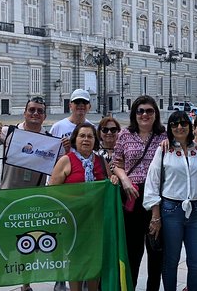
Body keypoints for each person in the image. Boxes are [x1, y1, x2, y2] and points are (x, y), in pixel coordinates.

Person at [143, 111, 197, 291]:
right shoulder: (164, 150)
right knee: (171, 261)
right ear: (170, 128)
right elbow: (152, 182)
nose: (179, 127)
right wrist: (155, 215)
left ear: (189, 126)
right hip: (171, 210)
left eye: (183, 123)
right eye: (174, 124)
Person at [0, 97, 51, 291]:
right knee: (1, 244)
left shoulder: (49, 139)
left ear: (44, 116)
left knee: (29, 244)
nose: (35, 114)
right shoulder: (9, 132)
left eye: (39, 111)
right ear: (25, 112)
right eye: (32, 110)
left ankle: (25, 284)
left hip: (33, 199)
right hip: (7, 197)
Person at [49, 123, 113, 291]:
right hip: (73, 221)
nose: (86, 140)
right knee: (75, 261)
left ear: (95, 140)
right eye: (82, 136)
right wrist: (76, 200)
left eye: (90, 136)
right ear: (75, 139)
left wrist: (114, 181)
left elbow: (109, 185)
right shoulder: (66, 161)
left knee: (94, 260)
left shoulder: (100, 161)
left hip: (95, 221)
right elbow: (52, 192)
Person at [112, 95, 167, 291]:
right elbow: (116, 163)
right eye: (140, 111)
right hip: (132, 195)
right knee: (133, 250)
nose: (144, 114)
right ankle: (130, 287)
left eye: (149, 111)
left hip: (156, 198)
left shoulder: (164, 136)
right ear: (134, 114)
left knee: (155, 249)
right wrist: (124, 178)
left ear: (155, 114)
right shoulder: (125, 134)